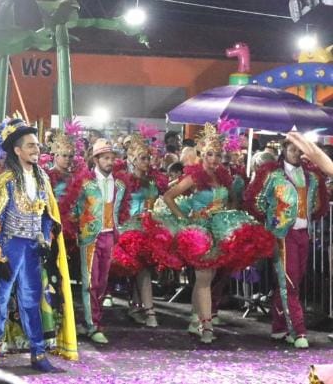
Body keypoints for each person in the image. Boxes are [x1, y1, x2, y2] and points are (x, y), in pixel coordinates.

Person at [0, 118, 77, 373]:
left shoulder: (42, 177)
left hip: (32, 248)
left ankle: (38, 354)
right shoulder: (7, 180)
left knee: (32, 300)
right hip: (8, 248)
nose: (36, 149)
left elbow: (47, 213)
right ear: (17, 151)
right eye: (30, 146)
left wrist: (45, 239)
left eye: (37, 145)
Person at [156, 123, 274, 344]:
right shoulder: (193, 177)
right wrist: (184, 218)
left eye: (217, 154)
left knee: (207, 279)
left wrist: (226, 213)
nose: (214, 159)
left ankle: (194, 319)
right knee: (203, 278)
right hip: (200, 233)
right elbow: (169, 196)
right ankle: (207, 325)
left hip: (219, 230)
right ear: (202, 154)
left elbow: (230, 199)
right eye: (209, 154)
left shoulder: (223, 177)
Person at [245, 138, 328, 349]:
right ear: (284, 150)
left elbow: (318, 204)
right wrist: (274, 222)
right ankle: (298, 330)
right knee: (289, 283)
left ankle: (279, 326)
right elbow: (256, 201)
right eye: (293, 149)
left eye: (300, 150)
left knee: (292, 282)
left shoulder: (311, 177)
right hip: (283, 234)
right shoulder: (273, 175)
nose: (297, 154)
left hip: (303, 234)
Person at [60, 138, 124, 345]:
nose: (110, 162)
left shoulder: (120, 185)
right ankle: (92, 324)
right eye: (105, 158)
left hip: (109, 236)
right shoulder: (85, 183)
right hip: (90, 237)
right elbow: (73, 208)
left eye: (112, 158)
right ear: (96, 159)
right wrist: (79, 227)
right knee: (89, 283)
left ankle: (93, 321)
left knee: (101, 282)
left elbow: (119, 210)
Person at [113, 134, 167, 329]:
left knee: (144, 269)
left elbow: (156, 205)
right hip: (129, 230)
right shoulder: (123, 181)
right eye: (143, 158)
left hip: (149, 228)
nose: (147, 162)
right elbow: (116, 209)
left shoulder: (153, 182)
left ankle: (137, 307)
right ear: (132, 160)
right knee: (142, 270)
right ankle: (150, 311)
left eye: (148, 158)